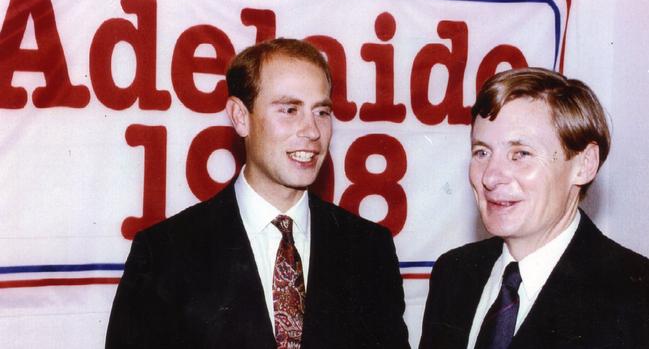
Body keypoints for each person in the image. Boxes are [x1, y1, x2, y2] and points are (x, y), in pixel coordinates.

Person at [106, 38, 409, 349]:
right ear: (240, 117)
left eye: (321, 112)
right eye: (290, 110)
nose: (312, 131)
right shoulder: (163, 253)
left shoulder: (370, 249)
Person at [419, 67, 649, 349]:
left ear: (584, 164)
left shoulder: (635, 295)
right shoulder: (453, 273)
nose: (490, 177)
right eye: (482, 152)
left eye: (521, 154)